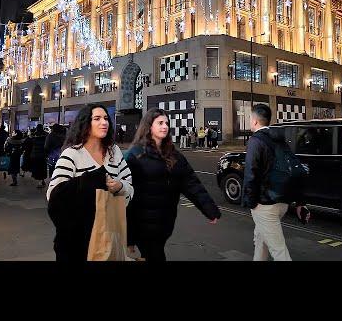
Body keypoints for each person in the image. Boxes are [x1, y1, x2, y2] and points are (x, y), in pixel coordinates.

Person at [125, 108, 221, 262]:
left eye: (167, 123)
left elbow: (191, 183)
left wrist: (209, 209)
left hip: (165, 222)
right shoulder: (136, 154)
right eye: (160, 123)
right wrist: (129, 236)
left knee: (154, 253)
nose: (165, 126)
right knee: (154, 255)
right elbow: (127, 195)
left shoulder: (174, 154)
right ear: (149, 126)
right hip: (143, 224)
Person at [46, 103, 134, 261]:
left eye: (106, 118)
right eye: (97, 118)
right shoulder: (72, 154)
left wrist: (120, 186)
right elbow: (54, 195)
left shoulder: (114, 152)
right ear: (86, 123)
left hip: (109, 234)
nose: (104, 122)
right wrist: (92, 180)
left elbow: (129, 185)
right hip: (77, 240)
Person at [242, 103, 309, 261]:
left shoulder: (255, 141)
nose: (250, 121)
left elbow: (251, 174)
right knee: (260, 239)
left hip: (265, 204)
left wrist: (252, 203)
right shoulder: (279, 139)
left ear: (255, 121)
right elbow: (294, 168)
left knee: (279, 251)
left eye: (250, 118)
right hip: (282, 202)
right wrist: (300, 202)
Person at [23, 124, 48, 188]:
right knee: (42, 168)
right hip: (42, 155)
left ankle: (40, 181)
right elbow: (47, 146)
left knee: (37, 168)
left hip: (35, 155)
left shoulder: (33, 135)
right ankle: (41, 181)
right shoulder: (46, 135)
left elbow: (28, 144)